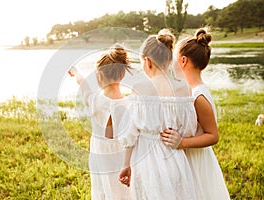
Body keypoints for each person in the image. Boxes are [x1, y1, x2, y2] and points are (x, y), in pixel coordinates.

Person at [118, 29, 197, 199]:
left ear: (147, 61)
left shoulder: (140, 88)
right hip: (175, 158)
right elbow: (190, 129)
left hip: (146, 163)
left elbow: (130, 134)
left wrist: (126, 164)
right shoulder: (184, 88)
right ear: (169, 59)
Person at [161, 28, 230, 200]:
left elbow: (213, 135)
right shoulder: (187, 91)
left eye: (173, 59)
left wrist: (181, 142)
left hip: (196, 162)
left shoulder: (198, 96)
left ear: (183, 61)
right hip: (185, 158)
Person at [68, 44, 132, 200]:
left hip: (100, 156)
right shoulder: (130, 103)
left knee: (101, 191)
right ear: (123, 74)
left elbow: (83, 84)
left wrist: (76, 72)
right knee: (123, 193)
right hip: (122, 158)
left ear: (99, 76)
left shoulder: (95, 99)